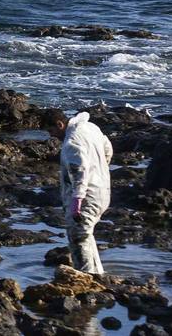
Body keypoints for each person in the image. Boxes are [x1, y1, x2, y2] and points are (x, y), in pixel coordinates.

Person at [49, 110, 114, 274]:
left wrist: (77, 200)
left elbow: (79, 172)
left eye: (51, 131)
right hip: (102, 191)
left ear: (60, 124)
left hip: (86, 197)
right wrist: (100, 172)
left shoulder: (71, 141)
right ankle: (97, 274)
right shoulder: (90, 127)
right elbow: (108, 149)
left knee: (78, 236)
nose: (51, 135)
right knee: (87, 234)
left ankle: (86, 278)